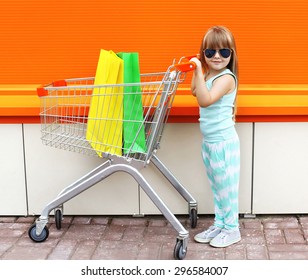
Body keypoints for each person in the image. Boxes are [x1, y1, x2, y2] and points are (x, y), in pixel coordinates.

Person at [190, 26, 241, 248]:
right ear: (204, 53)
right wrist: (197, 70)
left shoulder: (227, 78)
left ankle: (232, 229)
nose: (217, 57)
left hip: (223, 144)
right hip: (210, 143)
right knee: (217, 188)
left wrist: (201, 69)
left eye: (224, 52)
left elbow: (205, 99)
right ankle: (221, 224)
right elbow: (194, 90)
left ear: (232, 55)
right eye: (210, 52)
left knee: (227, 189)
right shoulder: (210, 74)